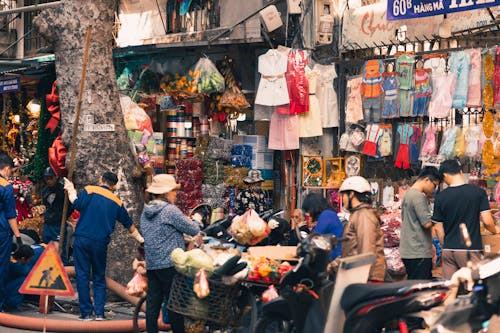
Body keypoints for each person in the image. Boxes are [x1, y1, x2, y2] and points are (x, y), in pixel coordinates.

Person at [63, 171, 144, 321]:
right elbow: (129, 225)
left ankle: (86, 313)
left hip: (82, 239)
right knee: (99, 277)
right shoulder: (116, 202)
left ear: (101, 180)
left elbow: (76, 203)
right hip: (100, 243)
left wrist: (71, 188)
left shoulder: (89, 190)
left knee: (82, 275)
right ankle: (99, 313)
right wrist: (141, 239)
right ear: (114, 186)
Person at [141, 174, 201, 333]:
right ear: (166, 193)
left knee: (153, 304)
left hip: (153, 263)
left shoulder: (145, 212)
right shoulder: (170, 211)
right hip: (169, 264)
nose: (175, 194)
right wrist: (198, 219)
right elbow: (193, 229)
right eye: (174, 191)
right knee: (175, 304)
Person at [432, 159, 500, 280]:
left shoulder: (440, 197)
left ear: (445, 175)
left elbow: (437, 227)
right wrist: (495, 231)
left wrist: (447, 244)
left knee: (451, 290)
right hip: (469, 250)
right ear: (461, 171)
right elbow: (487, 221)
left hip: (448, 252)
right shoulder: (478, 193)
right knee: (474, 289)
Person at [337, 176, 386, 282]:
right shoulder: (357, 214)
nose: (342, 199)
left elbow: (367, 249)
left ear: (352, 194)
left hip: (366, 277)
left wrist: (363, 277)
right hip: (358, 273)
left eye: (344, 195)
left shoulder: (363, 215)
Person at [399, 166, 442, 279]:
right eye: (434, 185)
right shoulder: (418, 196)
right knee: (421, 288)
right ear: (427, 179)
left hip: (410, 249)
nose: (434, 189)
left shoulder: (409, 194)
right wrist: (440, 215)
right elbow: (427, 223)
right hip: (417, 250)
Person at [0, 151, 22, 312]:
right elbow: (10, 215)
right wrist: (19, 237)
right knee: (1, 268)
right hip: (2, 234)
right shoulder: (5, 187)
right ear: (6, 168)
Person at [41, 167, 73, 264]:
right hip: (48, 223)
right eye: (46, 179)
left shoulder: (63, 190)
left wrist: (63, 216)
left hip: (59, 224)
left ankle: (63, 270)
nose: (49, 181)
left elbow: (70, 206)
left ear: (56, 177)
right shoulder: (45, 190)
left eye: (51, 178)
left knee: (60, 250)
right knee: (46, 248)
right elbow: (46, 204)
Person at [302, 193, 343, 259]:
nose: (309, 214)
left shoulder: (326, 215)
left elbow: (315, 237)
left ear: (312, 208)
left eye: (308, 211)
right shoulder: (329, 214)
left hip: (332, 257)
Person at [3, 244, 44, 310]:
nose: (29, 261)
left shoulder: (7, 257)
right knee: (23, 281)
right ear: (23, 258)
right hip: (8, 291)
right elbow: (29, 273)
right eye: (29, 259)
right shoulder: (19, 268)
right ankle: (10, 306)